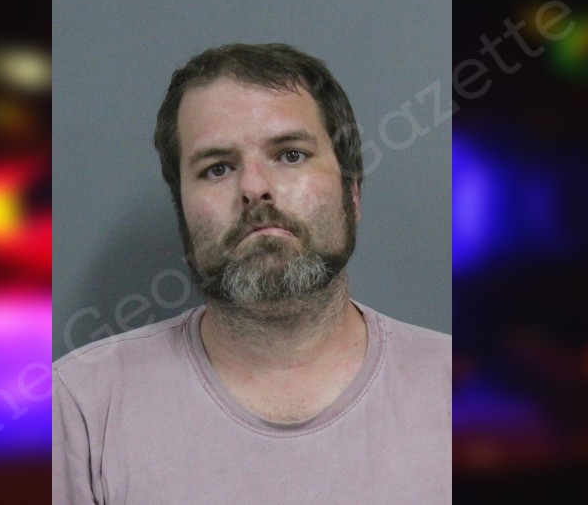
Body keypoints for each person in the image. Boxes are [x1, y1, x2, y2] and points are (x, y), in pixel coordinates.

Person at [53, 43, 450, 504]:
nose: (254, 188)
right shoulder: (82, 406)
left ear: (353, 194)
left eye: (291, 155)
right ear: (182, 211)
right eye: (217, 168)